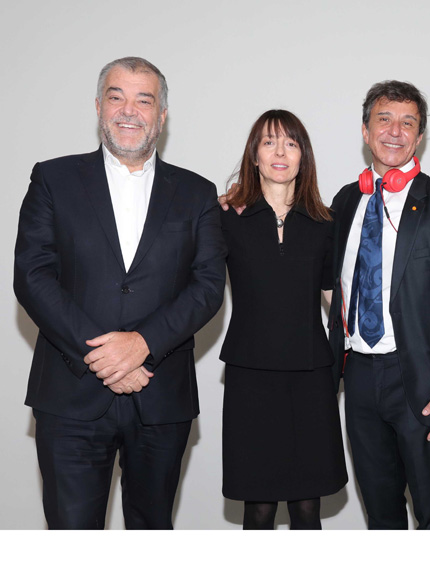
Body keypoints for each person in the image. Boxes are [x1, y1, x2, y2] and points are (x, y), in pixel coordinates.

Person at [13, 56, 227, 529]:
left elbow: (208, 287)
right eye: (117, 97)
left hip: (160, 397)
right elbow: (33, 275)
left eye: (143, 100)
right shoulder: (53, 179)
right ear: (98, 106)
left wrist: (142, 345)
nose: (129, 110)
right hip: (70, 397)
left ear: (162, 116)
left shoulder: (198, 193)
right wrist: (105, 356)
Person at [328, 80, 430, 529]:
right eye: (384, 119)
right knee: (381, 516)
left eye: (408, 123)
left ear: (419, 137)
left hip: (424, 382)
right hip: (358, 377)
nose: (395, 131)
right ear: (365, 130)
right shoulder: (345, 201)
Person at [219, 110, 347, 529]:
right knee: (258, 507)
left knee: (307, 505)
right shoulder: (226, 217)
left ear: (302, 157)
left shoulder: (325, 221)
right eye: (269, 142)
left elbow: (335, 297)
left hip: (310, 375)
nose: (280, 152)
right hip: (250, 375)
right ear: (254, 155)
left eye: (291, 144)